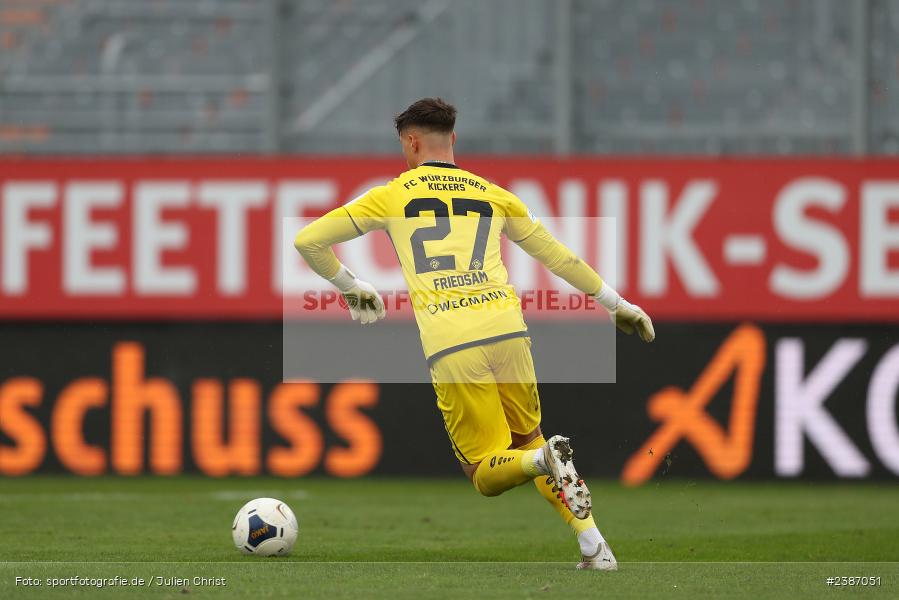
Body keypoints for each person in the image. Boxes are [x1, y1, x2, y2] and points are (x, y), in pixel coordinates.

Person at [294, 97, 654, 570]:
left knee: (484, 473)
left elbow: (308, 240)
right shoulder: (494, 194)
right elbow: (559, 257)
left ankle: (542, 463)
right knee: (530, 438)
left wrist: (352, 286)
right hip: (509, 331)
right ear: (454, 140)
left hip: (452, 341)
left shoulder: (392, 194)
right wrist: (617, 305)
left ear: (411, 142)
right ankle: (594, 546)